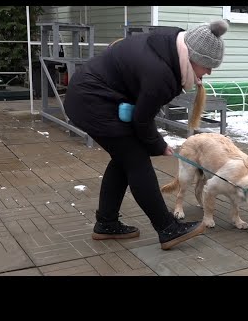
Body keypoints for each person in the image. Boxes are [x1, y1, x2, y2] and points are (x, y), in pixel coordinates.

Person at [63, 19, 229, 250]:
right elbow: (142, 120)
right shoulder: (161, 73)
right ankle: (167, 229)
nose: (208, 72)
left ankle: (106, 223)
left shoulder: (169, 47)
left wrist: (155, 143)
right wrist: (157, 145)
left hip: (95, 95)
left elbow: (142, 111)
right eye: (207, 66)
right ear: (192, 57)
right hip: (92, 101)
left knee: (124, 159)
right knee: (136, 159)